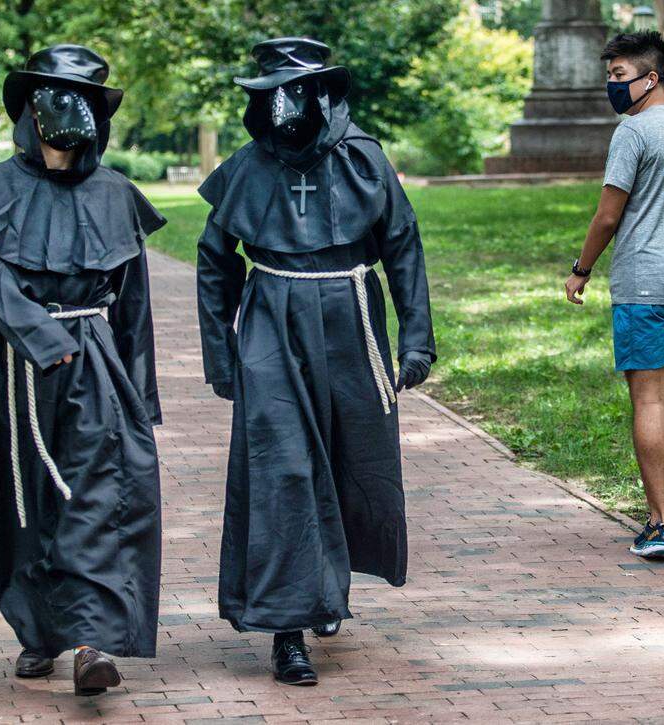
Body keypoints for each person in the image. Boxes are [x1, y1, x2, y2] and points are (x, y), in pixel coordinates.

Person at [196, 37, 435, 685]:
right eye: (271, 93)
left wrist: (417, 340)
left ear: (322, 94)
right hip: (272, 322)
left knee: (351, 458)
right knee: (285, 471)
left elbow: (404, 248)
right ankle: (289, 628)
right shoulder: (247, 167)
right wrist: (221, 353)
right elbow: (215, 260)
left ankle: (324, 585)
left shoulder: (363, 161)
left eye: (294, 91)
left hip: (352, 320)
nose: (283, 106)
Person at [0, 44, 166, 696]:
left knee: (97, 495)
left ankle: (92, 641)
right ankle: (39, 630)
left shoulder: (117, 194)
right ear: (32, 111)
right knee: (28, 500)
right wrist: (40, 337)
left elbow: (135, 304)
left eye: (81, 99)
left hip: (96, 360)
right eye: (55, 98)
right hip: (18, 365)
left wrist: (140, 395)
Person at [564, 31, 664, 560]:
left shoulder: (632, 134)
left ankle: (657, 525)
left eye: (618, 76)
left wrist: (581, 269)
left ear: (649, 78)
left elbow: (608, 214)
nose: (612, 85)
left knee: (648, 396)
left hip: (645, 285)